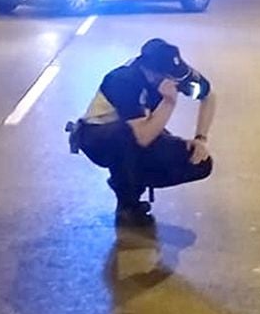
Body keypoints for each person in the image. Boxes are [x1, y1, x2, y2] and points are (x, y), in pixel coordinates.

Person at [69, 39, 217, 226]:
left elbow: (209, 96)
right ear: (151, 72)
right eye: (168, 76)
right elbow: (142, 137)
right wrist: (169, 102)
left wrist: (200, 139)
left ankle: (132, 179)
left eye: (176, 75)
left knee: (200, 162)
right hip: (98, 137)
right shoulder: (123, 80)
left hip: (140, 129)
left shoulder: (177, 73)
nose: (175, 81)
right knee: (127, 137)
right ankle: (127, 198)